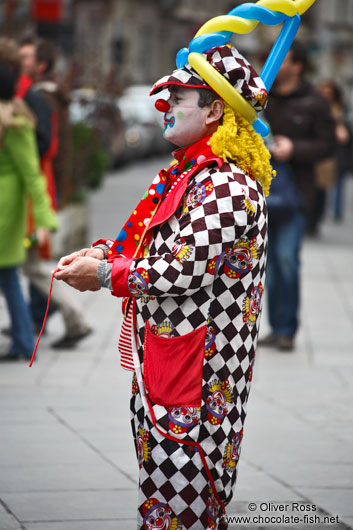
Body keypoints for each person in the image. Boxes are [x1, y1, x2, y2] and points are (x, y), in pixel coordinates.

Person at [55, 44, 273, 529]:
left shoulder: (227, 187)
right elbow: (154, 241)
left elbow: (178, 270)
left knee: (184, 499)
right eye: (168, 96)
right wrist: (104, 254)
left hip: (201, 375)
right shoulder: (190, 174)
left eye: (180, 97)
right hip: (173, 360)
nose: (166, 106)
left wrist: (106, 275)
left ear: (217, 110)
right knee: (160, 486)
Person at [260, 41, 336, 351]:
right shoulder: (261, 97)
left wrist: (294, 149)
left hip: (295, 196)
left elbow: (329, 145)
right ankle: (276, 326)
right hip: (261, 196)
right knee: (269, 266)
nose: (276, 63)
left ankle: (287, 330)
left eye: (283, 59)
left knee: (286, 260)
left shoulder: (315, 102)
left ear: (297, 65)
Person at [18, 36, 92, 349]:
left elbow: (44, 148)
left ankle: (72, 319)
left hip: (38, 191)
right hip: (46, 188)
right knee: (33, 262)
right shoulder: (48, 95)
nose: (21, 63)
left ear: (41, 64)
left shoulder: (40, 98)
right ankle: (34, 320)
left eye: (26, 57)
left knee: (35, 263)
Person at [0, 38, 58, 362]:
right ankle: (23, 340)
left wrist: (46, 219)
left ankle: (23, 341)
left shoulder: (13, 124)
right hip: (7, 207)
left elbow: (33, 174)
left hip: (7, 210)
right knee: (9, 279)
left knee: (11, 278)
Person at [319, 79, 352, 221]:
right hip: (324, 149)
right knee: (323, 183)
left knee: (338, 181)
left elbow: (346, 134)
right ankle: (320, 213)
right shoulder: (318, 106)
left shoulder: (340, 109)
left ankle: (336, 211)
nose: (327, 95)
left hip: (338, 151)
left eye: (329, 92)